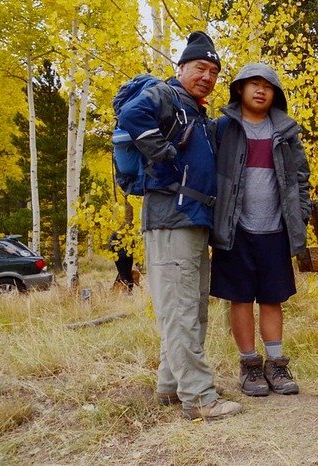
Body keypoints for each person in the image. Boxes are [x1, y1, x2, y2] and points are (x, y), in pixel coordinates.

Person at [117, 31, 243, 421]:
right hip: (171, 217)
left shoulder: (196, 110)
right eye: (200, 68)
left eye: (213, 71)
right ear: (182, 68)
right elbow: (131, 116)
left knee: (190, 306)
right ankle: (199, 398)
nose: (207, 76)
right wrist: (164, 152)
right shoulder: (166, 95)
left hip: (192, 220)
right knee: (181, 309)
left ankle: (171, 386)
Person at [210, 62, 311, 397]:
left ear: (275, 94)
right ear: (239, 89)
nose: (259, 90)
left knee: (272, 299)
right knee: (240, 299)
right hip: (235, 230)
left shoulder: (286, 131)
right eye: (252, 84)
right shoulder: (223, 128)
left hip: (275, 231)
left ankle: (277, 365)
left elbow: (300, 179)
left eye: (266, 86)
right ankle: (250, 366)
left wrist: (301, 215)